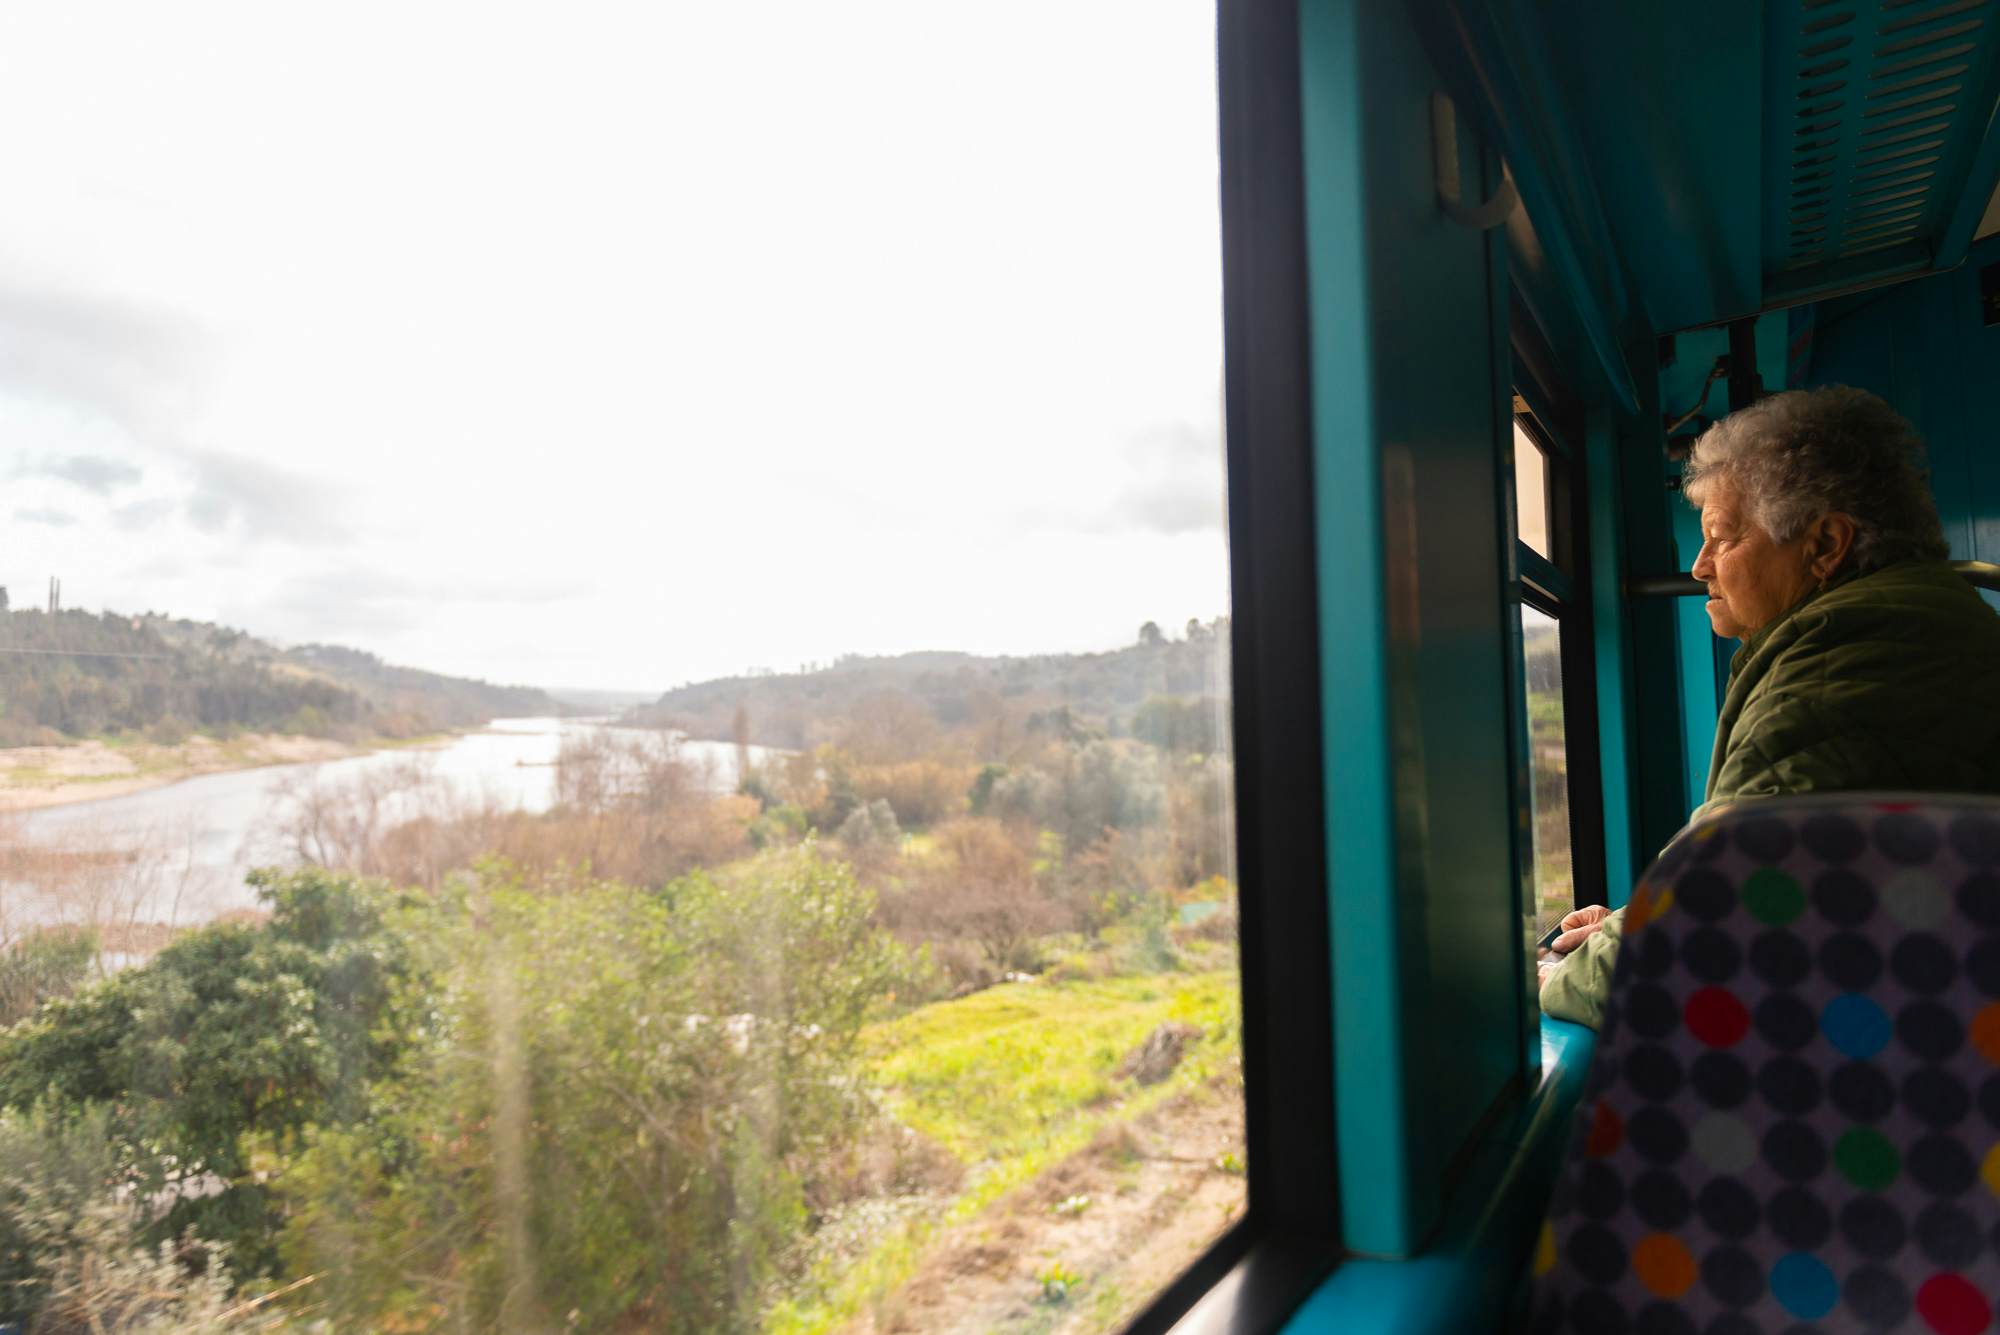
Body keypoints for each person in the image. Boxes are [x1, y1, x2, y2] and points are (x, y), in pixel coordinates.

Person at [1539, 385, 2000, 1028]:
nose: (1699, 567)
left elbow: (1702, 950)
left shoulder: (1851, 674)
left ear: (1824, 545)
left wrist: (1563, 976)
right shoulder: (1914, 633)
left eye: (1721, 539)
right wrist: (1626, 927)